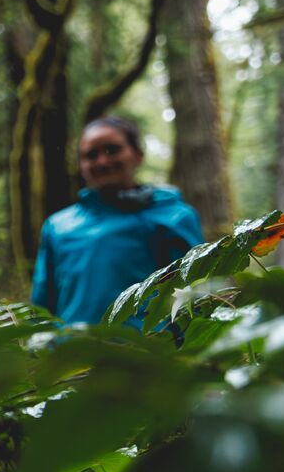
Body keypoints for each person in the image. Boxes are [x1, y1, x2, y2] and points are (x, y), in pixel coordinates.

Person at [30, 115, 203, 325]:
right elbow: (41, 306)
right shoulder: (57, 227)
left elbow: (195, 293)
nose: (102, 161)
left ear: (138, 155)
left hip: (150, 353)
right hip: (73, 352)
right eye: (91, 155)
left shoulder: (173, 216)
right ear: (81, 165)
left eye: (113, 150)